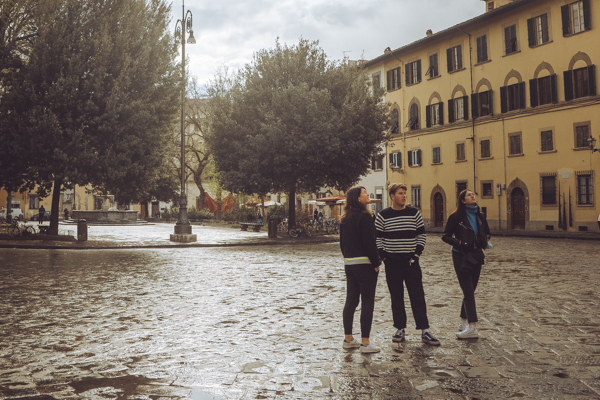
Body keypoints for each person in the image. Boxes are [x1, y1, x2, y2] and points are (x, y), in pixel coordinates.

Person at [375, 183, 440, 346]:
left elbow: (421, 235)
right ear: (392, 196)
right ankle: (399, 328)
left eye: (405, 193)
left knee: (417, 296)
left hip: (411, 262)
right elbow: (377, 240)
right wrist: (384, 258)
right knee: (396, 296)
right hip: (392, 263)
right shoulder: (383, 215)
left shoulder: (413, 213)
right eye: (400, 193)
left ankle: (425, 330)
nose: (404, 196)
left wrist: (416, 254)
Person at [442, 189, 491, 339]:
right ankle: (472, 326)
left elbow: (487, 232)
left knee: (471, 290)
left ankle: (463, 321)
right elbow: (445, 236)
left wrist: (483, 240)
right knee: (468, 291)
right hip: (461, 255)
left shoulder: (480, 215)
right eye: (469, 195)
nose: (472, 196)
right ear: (463, 201)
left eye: (473, 194)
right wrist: (460, 243)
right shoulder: (456, 217)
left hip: (476, 255)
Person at [340, 186, 382, 353]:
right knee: (367, 302)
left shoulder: (344, 218)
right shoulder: (365, 216)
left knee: (351, 301)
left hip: (350, 263)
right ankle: (365, 342)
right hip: (365, 264)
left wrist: (348, 258)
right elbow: (370, 242)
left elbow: (342, 244)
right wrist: (376, 262)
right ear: (358, 198)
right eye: (365, 192)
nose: (368, 194)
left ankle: (348, 338)